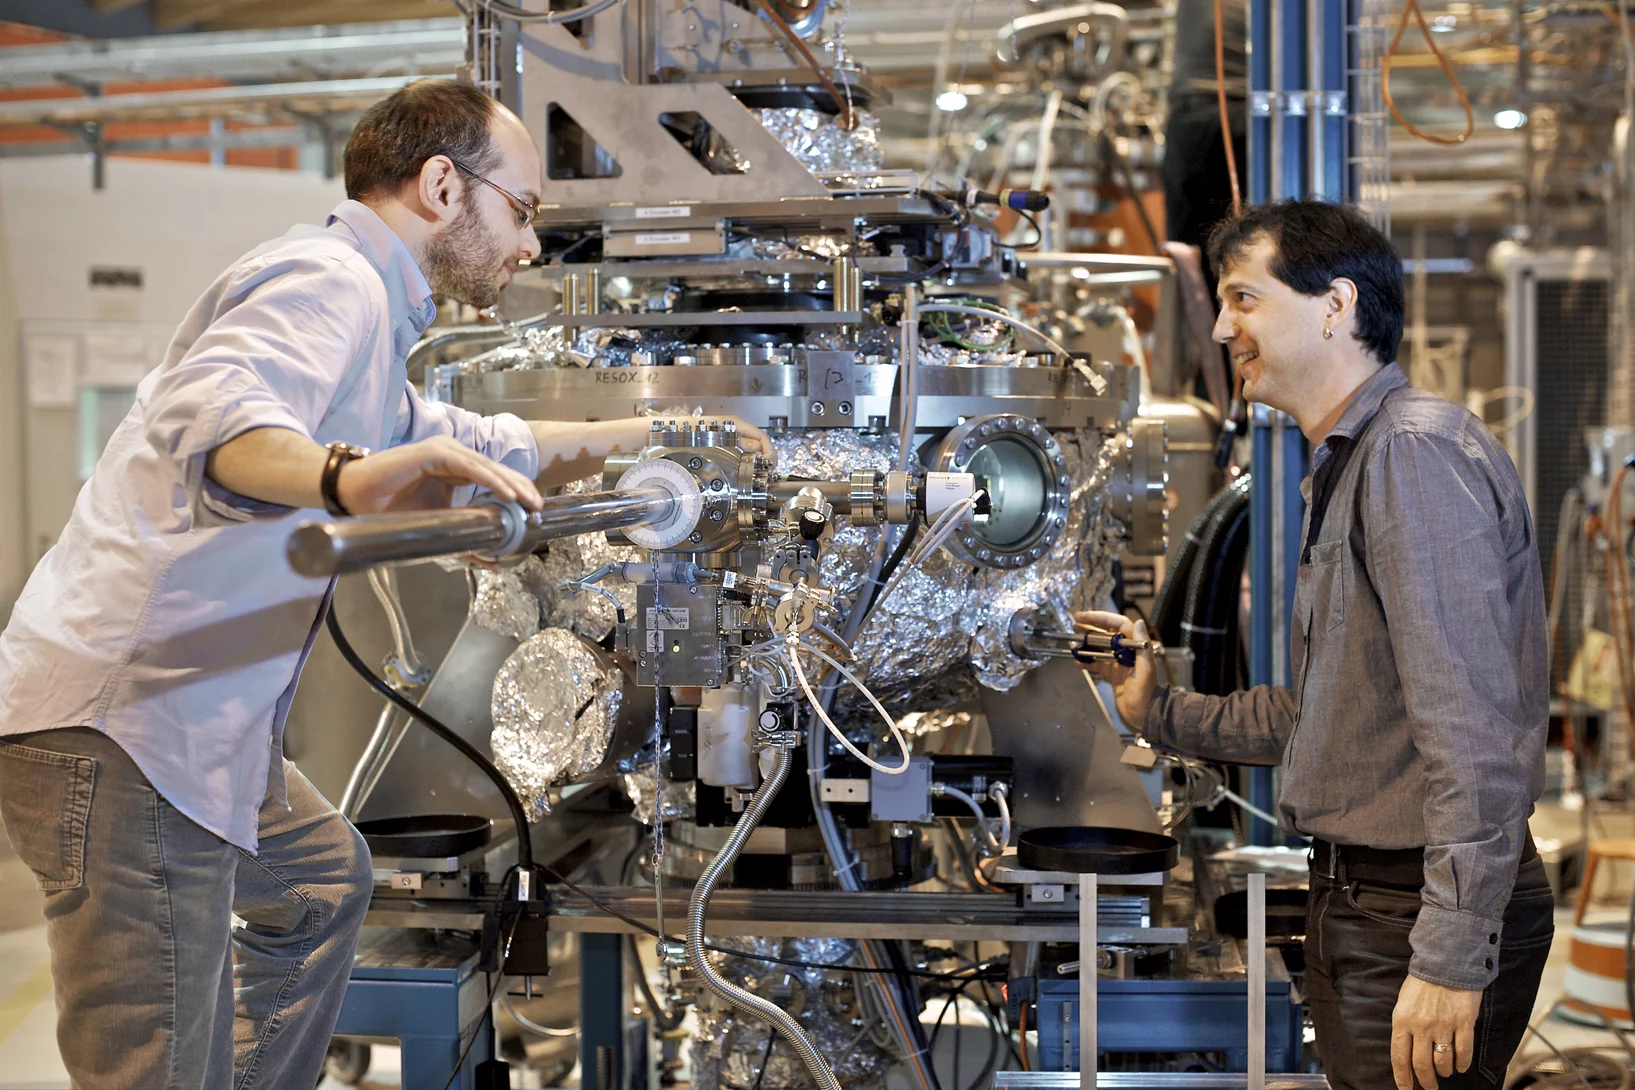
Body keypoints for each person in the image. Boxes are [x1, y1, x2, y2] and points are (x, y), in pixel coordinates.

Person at [0, 79, 769, 1088]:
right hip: (129, 730)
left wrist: (669, 430)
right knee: (156, 1063)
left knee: (321, 886)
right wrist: (348, 479)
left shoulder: (370, 326)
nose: (529, 244)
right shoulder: (327, 280)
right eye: (522, 210)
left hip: (196, 726)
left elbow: (488, 441)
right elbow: (222, 421)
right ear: (443, 187)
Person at [1080, 199, 1552, 1090]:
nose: (1222, 329)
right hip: (1369, 899)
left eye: (1244, 299)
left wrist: (1449, 959)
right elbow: (1336, 717)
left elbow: (1474, 738)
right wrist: (1157, 708)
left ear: (1335, 306)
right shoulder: (1352, 460)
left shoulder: (1410, 458)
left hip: (1413, 909)